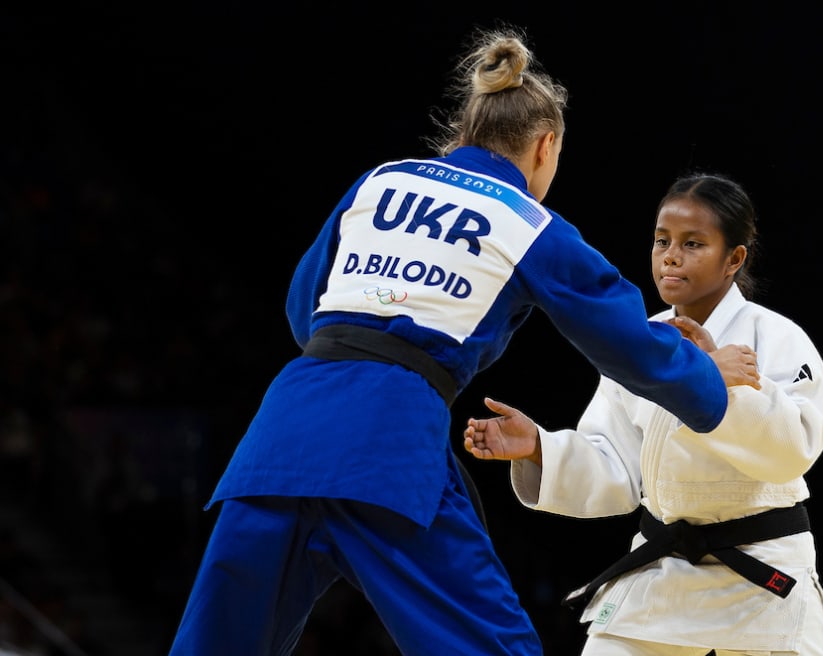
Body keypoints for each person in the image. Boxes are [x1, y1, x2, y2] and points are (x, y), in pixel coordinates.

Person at [167, 27, 758, 656]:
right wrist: (707, 379)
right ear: (545, 145)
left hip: (283, 431)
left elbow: (302, 306)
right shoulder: (527, 220)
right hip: (386, 441)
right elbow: (625, 338)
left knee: (217, 644)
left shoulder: (380, 181)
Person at [464, 172, 823, 655]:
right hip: (662, 575)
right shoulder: (641, 342)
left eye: (693, 244)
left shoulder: (775, 338)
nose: (670, 256)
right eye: (662, 240)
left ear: (734, 259)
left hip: (757, 577)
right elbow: (618, 466)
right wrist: (540, 446)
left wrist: (715, 386)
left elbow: (792, 451)